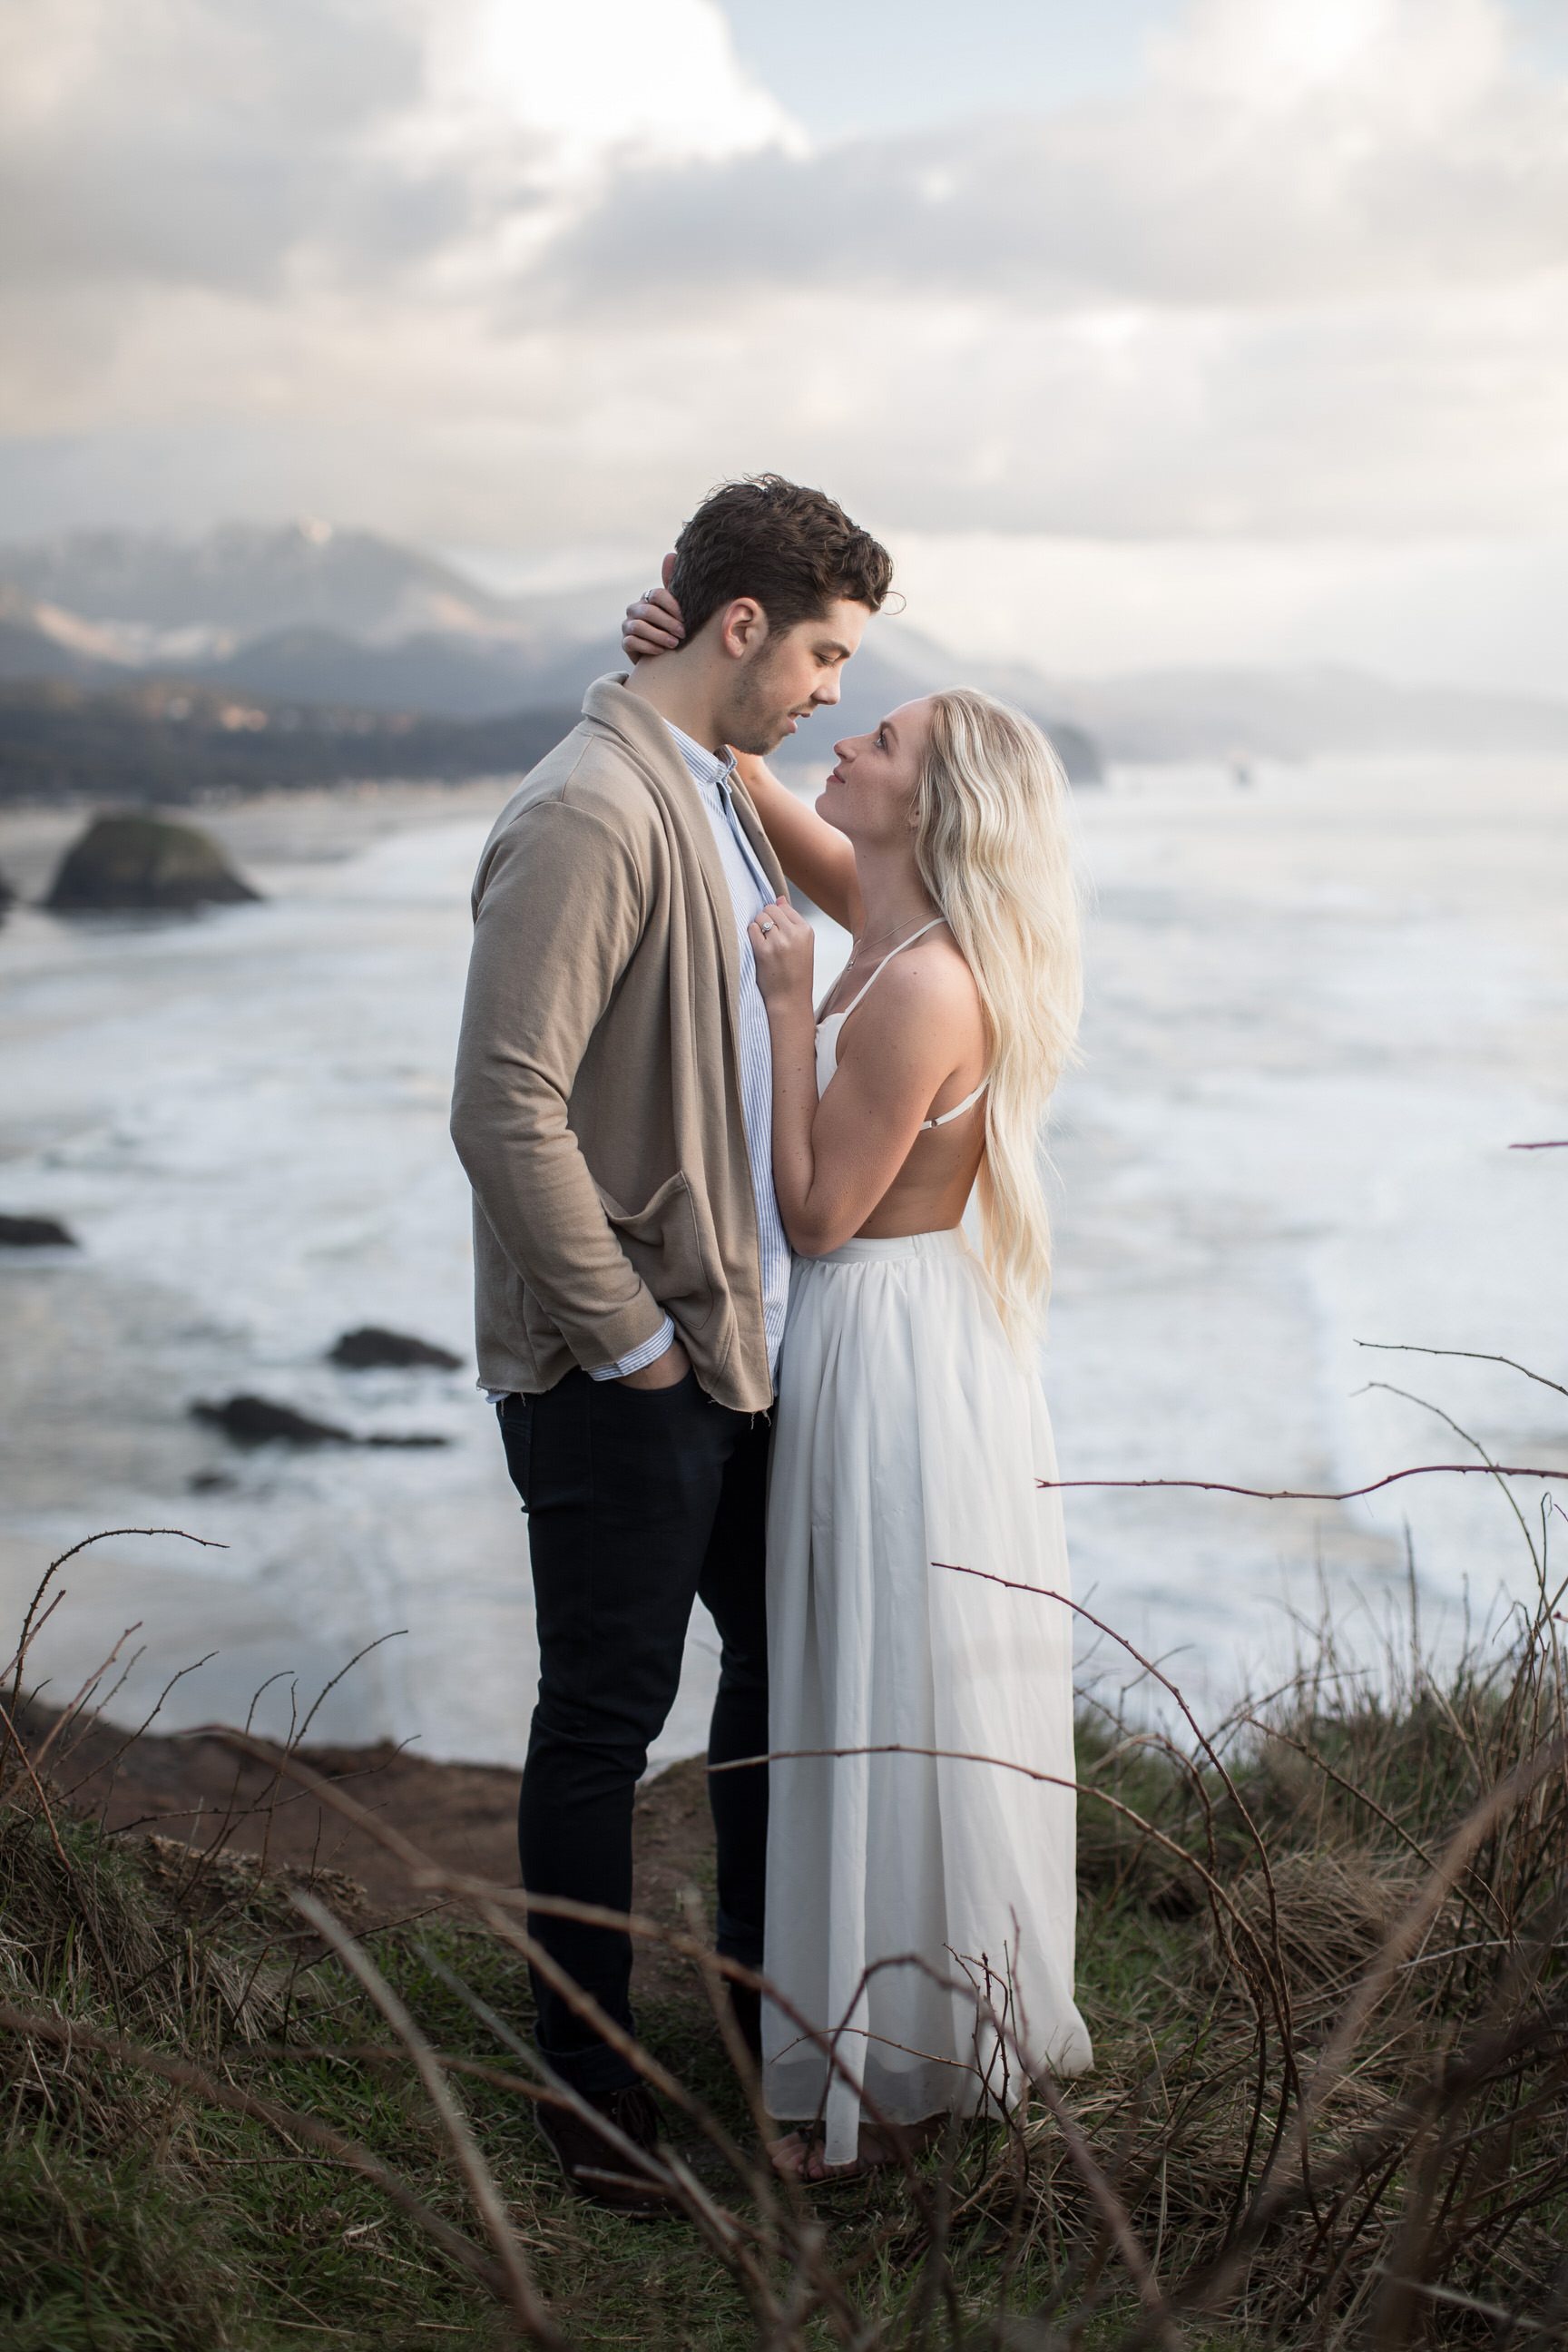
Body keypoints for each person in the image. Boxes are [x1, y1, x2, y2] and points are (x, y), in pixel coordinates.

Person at [450, 476, 893, 2212]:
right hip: (626, 1373)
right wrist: (628, 1341)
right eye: (825, 651)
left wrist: (704, 1347)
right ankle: (585, 2098)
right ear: (739, 628)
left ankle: (761, 2036)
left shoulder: (702, 781)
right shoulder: (587, 814)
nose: (833, 689)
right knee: (602, 1725)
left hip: (729, 1359)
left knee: (774, 1693)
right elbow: (503, 1106)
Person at [622, 580, 1094, 2177]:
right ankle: (900, 2030)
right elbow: (772, 799)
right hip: (912, 1342)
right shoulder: (896, 918)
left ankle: (901, 2073)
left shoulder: (924, 985)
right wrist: (693, 673)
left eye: (877, 734)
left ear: (928, 799)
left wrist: (775, 1008)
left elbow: (819, 1214)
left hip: (884, 1346)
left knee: (883, 1682)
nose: (849, 728)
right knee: (874, 1675)